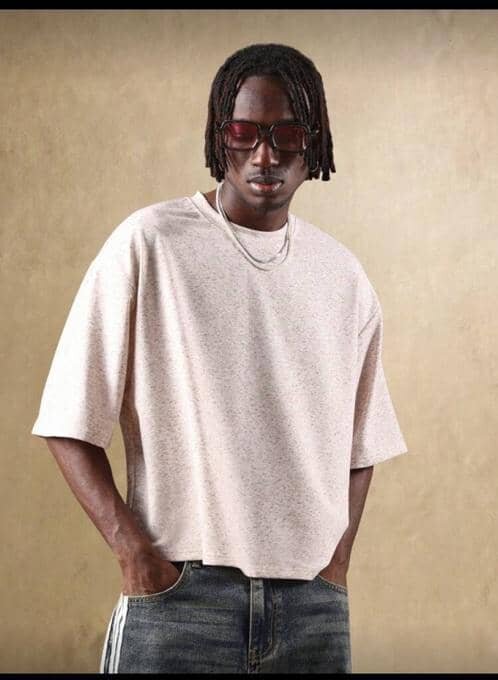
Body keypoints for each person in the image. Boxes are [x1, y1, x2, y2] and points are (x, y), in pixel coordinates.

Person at [31, 43, 408, 674]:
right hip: (180, 597)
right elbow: (67, 420)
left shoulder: (343, 276)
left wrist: (336, 563)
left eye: (287, 134)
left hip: (311, 607)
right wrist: (135, 556)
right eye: (243, 133)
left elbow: (361, 443)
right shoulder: (149, 244)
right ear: (218, 137)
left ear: (313, 144)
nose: (265, 154)